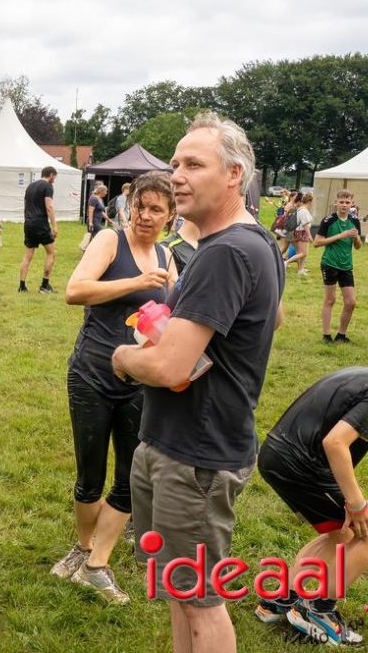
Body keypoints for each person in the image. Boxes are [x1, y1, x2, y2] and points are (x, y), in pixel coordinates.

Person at [112, 112, 284, 653]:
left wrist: (122, 357)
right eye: (175, 164)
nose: (177, 176)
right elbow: (274, 318)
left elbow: (169, 369)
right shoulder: (255, 241)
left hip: (196, 456)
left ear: (234, 174)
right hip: (182, 442)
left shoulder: (226, 252)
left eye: (193, 165)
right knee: (179, 592)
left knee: (199, 600)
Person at [53, 171, 177, 605]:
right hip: (92, 374)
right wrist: (137, 283)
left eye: (156, 209)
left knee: (129, 478)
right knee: (90, 476)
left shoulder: (166, 255)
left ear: (170, 216)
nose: (145, 215)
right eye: (140, 206)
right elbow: (75, 291)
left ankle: (96, 564)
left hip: (140, 381)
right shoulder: (110, 240)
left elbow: (173, 313)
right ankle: (83, 545)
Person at [254, 365, 368, 646]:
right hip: (300, 465)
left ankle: (279, 600)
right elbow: (335, 443)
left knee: (342, 532)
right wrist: (356, 504)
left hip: (278, 455)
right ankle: (317, 611)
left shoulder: (364, 374)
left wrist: (355, 500)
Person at [315, 190, 361, 344]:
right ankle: (326, 336)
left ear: (352, 204)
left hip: (346, 266)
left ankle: (341, 335)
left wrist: (356, 238)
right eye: (341, 202)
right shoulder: (328, 220)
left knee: (351, 302)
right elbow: (316, 243)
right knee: (330, 300)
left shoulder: (355, 220)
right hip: (329, 264)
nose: (344, 205)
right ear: (336, 202)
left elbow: (358, 246)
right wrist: (340, 236)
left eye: (347, 202)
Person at [18, 166, 59, 293]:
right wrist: (54, 226)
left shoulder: (30, 187)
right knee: (51, 253)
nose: (54, 180)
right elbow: (49, 207)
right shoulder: (48, 186)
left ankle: (22, 286)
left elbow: (25, 206)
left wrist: (28, 220)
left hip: (29, 223)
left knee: (27, 256)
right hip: (41, 223)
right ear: (51, 175)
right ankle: (44, 286)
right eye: (54, 177)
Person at [283, 192, 313, 275]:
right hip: (302, 233)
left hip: (297, 232)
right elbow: (305, 224)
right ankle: (286, 262)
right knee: (303, 253)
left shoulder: (300, 209)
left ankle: (300, 269)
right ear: (309, 201)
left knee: (300, 252)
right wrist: (309, 236)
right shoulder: (304, 211)